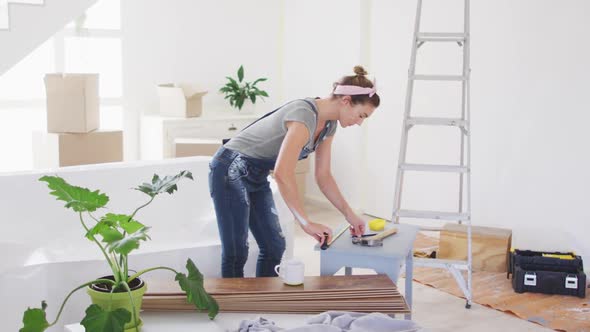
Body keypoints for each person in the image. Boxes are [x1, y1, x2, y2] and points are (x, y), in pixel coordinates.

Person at [208, 66, 380, 278]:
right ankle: (232, 307)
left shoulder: (329, 126)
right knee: (237, 251)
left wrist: (350, 215)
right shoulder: (304, 114)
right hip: (230, 168)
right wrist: (305, 222)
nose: (360, 122)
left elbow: (323, 176)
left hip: (256, 173)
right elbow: (282, 173)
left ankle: (264, 301)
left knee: (274, 247)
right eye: (361, 115)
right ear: (345, 101)